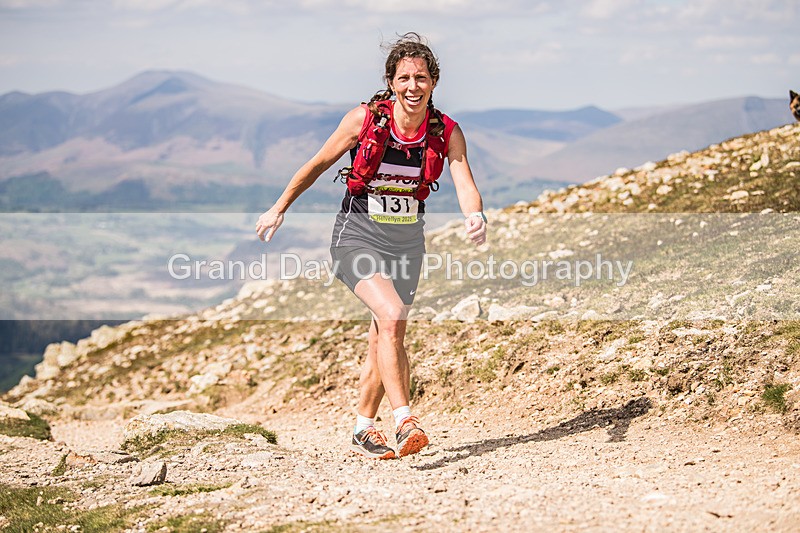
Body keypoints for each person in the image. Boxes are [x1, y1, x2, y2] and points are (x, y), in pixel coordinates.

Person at [256, 32, 486, 459]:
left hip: (406, 242)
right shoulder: (363, 120)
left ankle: (364, 427)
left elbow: (464, 181)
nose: (412, 86)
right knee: (393, 315)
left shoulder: (447, 132)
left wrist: (476, 215)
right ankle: (405, 421)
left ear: (434, 82)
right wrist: (279, 207)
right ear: (391, 81)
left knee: (385, 331)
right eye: (404, 78)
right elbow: (318, 164)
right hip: (356, 235)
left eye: (421, 77)